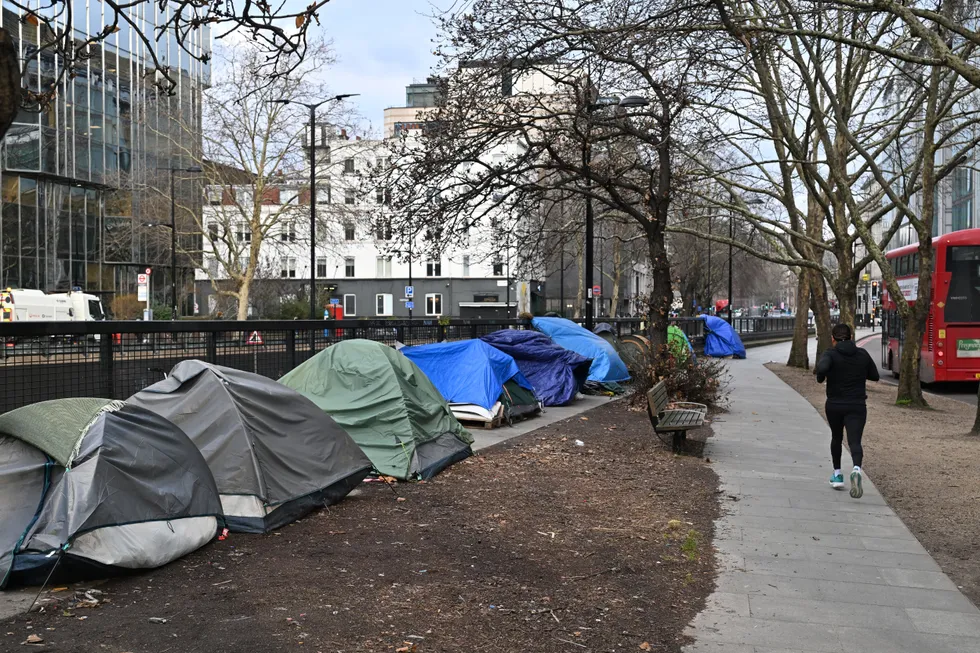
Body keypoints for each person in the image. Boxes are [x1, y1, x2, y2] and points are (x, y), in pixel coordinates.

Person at [814, 323, 879, 498]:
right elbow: (875, 376)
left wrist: (822, 376)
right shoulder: (862, 354)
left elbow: (821, 369)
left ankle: (837, 475)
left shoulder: (831, 354)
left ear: (833, 339)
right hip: (857, 405)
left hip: (835, 404)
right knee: (855, 441)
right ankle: (856, 468)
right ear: (851, 337)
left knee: (836, 437)